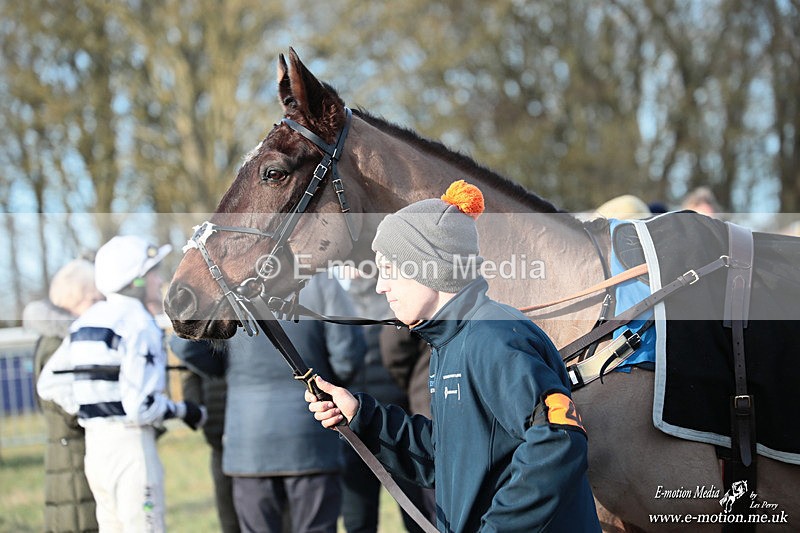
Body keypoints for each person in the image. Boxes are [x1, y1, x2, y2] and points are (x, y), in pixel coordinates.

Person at [306, 180, 602, 532]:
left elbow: (558, 442)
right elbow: (452, 458)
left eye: (389, 270)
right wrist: (361, 416)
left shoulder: (492, 338)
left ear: (427, 269)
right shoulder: (450, 340)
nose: (381, 285)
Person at [38, 235, 207, 533]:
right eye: (152, 273)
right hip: (131, 451)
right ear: (136, 282)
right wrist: (185, 411)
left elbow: (49, 384)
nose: (159, 281)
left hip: (96, 449)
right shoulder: (140, 324)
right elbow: (141, 407)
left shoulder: (86, 321)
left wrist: (97, 405)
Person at [221, 273, 366, 533]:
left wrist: (226, 370)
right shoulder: (321, 282)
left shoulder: (231, 285)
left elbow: (187, 346)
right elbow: (347, 356)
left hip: (248, 442)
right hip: (311, 436)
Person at [337, 271, 434, 533]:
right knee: (418, 516)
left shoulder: (336, 300)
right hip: (396, 418)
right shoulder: (398, 296)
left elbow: (394, 355)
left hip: (358, 420)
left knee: (360, 519)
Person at [25, 258, 102, 533]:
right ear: (77, 298)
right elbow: (64, 403)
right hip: (72, 457)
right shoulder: (59, 343)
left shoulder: (54, 339)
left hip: (68, 452)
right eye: (94, 298)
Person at [170, 338, 240, 533]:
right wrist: (196, 409)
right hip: (218, 435)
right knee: (229, 515)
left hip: (247, 430)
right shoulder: (207, 328)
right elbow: (190, 371)